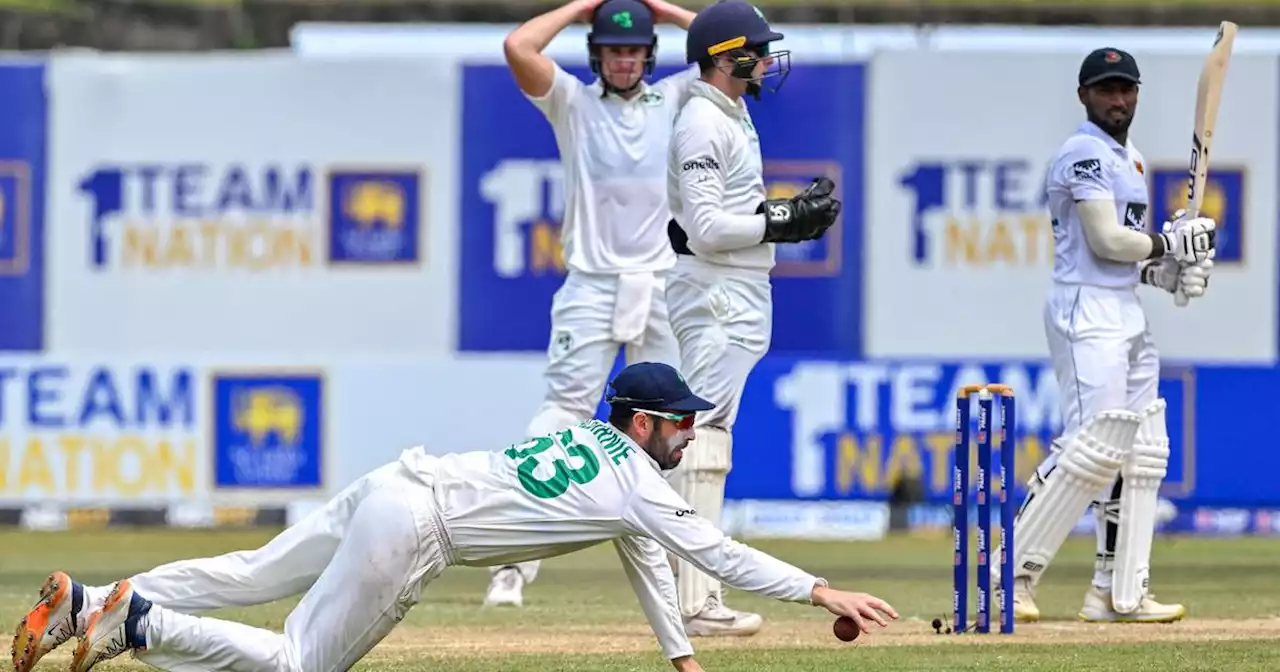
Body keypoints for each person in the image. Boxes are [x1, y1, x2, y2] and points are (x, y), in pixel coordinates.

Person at [13, 362, 899, 672]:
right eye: (680, 422)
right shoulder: (638, 475)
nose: (689, 433)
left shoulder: (596, 452)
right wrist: (822, 590)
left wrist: (683, 657)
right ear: (641, 421)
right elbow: (716, 552)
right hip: (416, 532)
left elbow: (651, 558)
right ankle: (136, 620)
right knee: (297, 666)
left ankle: (86, 601)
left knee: (251, 573)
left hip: (397, 479)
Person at [488, 0, 704, 612]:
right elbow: (518, 48)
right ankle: (513, 561)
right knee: (561, 414)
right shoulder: (573, 104)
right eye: (613, 49)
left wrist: (663, 9)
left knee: (675, 425)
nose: (625, 59)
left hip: (662, 281)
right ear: (597, 54)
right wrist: (583, 6)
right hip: (590, 280)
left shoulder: (678, 97)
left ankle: (691, 587)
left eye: (634, 49)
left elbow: (742, 42)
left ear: (649, 54)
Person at [996, 47, 1214, 624]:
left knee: (1141, 453)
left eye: (1126, 89)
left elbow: (1130, 259)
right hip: (1083, 310)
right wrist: (1170, 246)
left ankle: (1118, 593)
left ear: (1137, 94)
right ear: (1084, 95)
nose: (1118, 100)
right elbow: (1105, 241)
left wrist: (1169, 272)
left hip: (1125, 309)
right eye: (1105, 90)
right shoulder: (1082, 154)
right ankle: (1007, 576)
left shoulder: (1132, 160)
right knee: (1091, 449)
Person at [662, 0, 841, 638]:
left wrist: (778, 214)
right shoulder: (701, 124)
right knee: (699, 443)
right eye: (757, 50)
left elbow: (729, 210)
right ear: (726, 56)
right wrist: (781, 222)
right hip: (714, 290)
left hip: (734, 289)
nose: (767, 61)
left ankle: (691, 594)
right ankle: (694, 602)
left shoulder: (730, 114)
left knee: (706, 438)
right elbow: (705, 227)